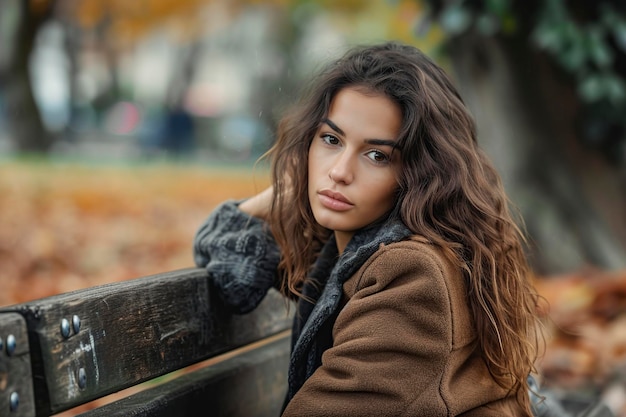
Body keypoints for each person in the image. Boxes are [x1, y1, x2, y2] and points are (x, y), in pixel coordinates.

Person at [194, 41, 553, 416]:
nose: (340, 172)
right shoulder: (347, 251)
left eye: (377, 155)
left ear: (420, 175)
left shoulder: (412, 275)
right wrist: (289, 189)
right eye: (331, 140)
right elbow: (230, 267)